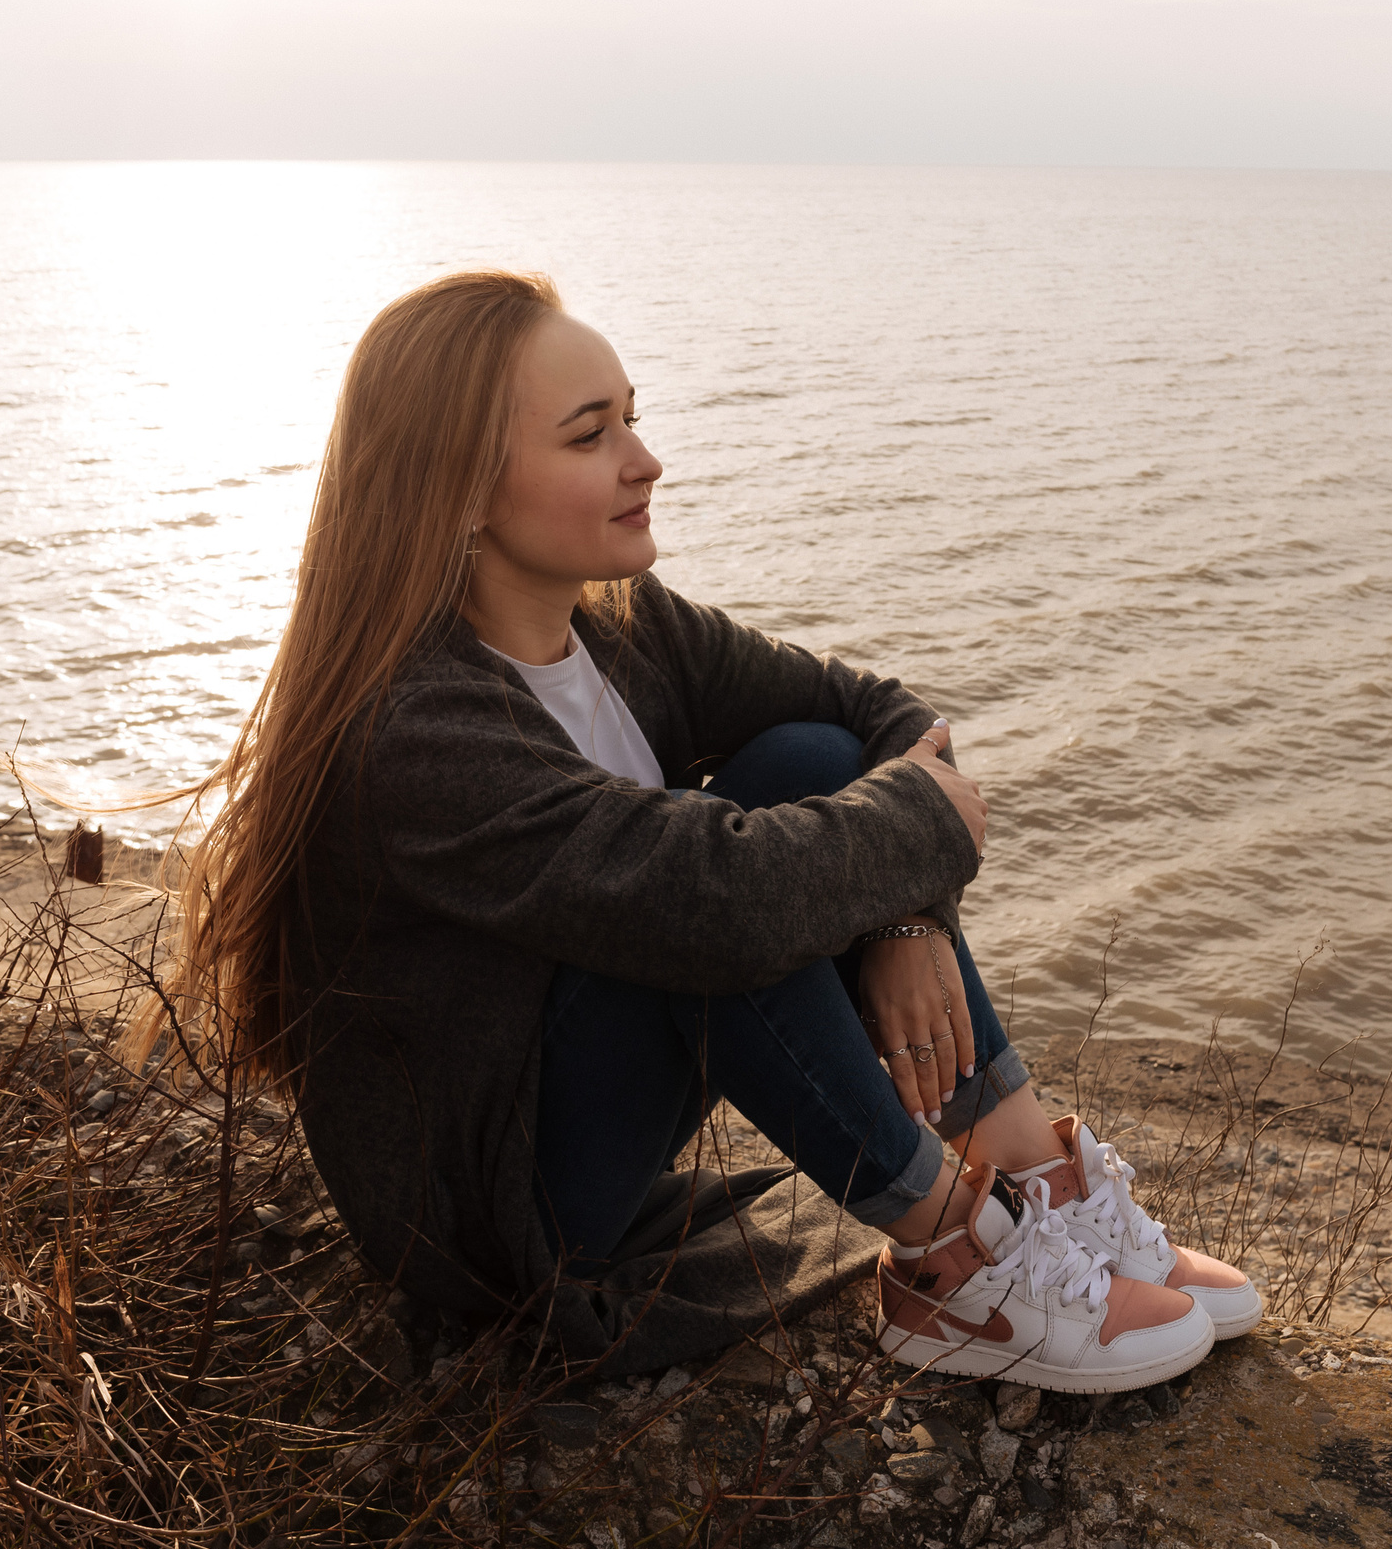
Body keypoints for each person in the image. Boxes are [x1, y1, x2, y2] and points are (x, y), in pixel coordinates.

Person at [143, 269, 1260, 1391]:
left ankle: (1030, 1172)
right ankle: (950, 1252)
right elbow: (709, 898)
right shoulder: (416, 729)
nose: (644, 460)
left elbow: (874, 715)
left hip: (607, 1094)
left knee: (805, 761)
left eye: (633, 416)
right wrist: (911, 836)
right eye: (591, 435)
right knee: (702, 877)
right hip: (498, 1211)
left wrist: (909, 912)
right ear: (463, 490)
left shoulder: (623, 626)